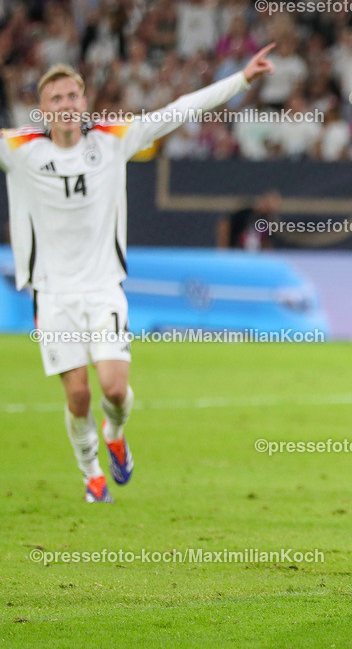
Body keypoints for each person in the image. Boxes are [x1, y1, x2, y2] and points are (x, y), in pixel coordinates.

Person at [3, 45, 276, 502]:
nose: (66, 105)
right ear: (43, 109)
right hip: (50, 295)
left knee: (113, 389)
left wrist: (242, 78)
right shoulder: (19, 149)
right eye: (56, 99)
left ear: (84, 102)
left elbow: (178, 111)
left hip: (104, 288)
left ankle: (115, 432)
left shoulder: (112, 139)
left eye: (73, 96)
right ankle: (91, 474)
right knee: (78, 398)